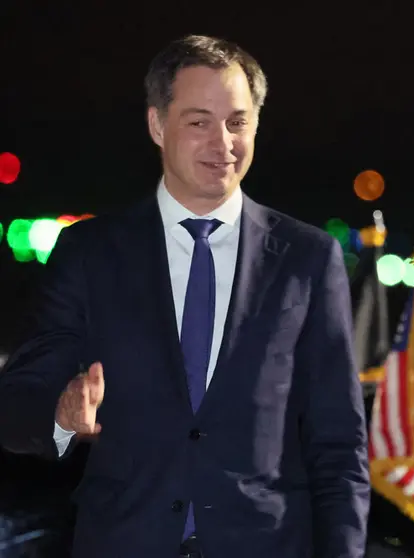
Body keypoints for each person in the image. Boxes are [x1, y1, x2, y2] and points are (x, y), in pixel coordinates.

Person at [0, 34, 370, 558]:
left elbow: (339, 447)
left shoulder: (307, 259)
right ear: (157, 124)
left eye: (238, 122)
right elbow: (14, 405)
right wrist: (60, 414)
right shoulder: (90, 253)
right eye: (199, 122)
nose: (223, 144)